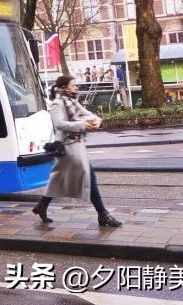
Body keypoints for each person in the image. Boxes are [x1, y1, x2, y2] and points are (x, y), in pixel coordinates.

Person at [32, 75, 121, 227]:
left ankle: (41, 206)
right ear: (65, 87)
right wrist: (82, 125)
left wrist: (96, 120)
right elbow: (59, 124)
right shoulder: (56, 104)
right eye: (73, 85)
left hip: (77, 145)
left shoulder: (72, 101)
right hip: (68, 147)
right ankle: (103, 214)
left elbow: (87, 113)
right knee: (89, 176)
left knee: (57, 178)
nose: (76, 88)